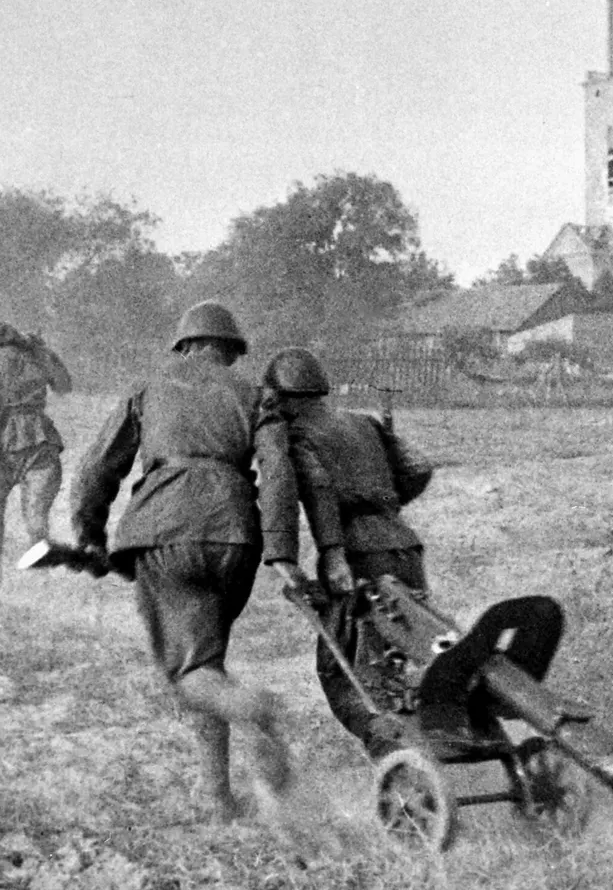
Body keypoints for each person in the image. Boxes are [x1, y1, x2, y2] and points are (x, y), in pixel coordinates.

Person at [69, 301, 351, 823]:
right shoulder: (256, 394)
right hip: (235, 540)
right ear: (232, 349)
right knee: (207, 662)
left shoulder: (149, 388)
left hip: (164, 532)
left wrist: (88, 535)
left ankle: (255, 709)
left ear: (185, 344)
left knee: (191, 672)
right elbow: (279, 472)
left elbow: (96, 469)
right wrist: (283, 554)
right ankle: (218, 797)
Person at [263, 347, 437, 760]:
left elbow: (319, 490)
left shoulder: (297, 435)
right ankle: (425, 745)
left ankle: (396, 756)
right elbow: (418, 468)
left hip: (359, 555)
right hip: (405, 548)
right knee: (412, 652)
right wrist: (387, 508)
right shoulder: (364, 423)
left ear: (282, 397)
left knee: (342, 670)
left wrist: (334, 552)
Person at [0, 322, 72, 586]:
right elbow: (64, 386)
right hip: (40, 437)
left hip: (0, 438)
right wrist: (45, 351)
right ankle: (43, 576)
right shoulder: (37, 355)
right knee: (36, 515)